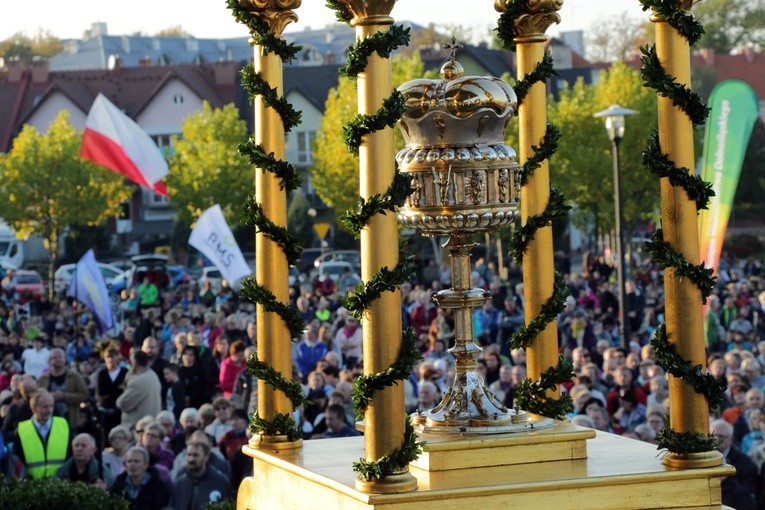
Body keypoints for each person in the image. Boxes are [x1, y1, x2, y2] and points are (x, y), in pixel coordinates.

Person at [13, 389, 71, 479]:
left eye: (51, 406)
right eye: (45, 407)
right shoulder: (22, 429)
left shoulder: (63, 425)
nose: (49, 410)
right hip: (32, 484)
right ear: (33, 408)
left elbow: (70, 455)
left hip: (60, 483)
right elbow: (18, 459)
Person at [710, 419, 757, 510]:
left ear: (731, 439)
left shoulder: (746, 463)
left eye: (721, 436)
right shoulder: (702, 460)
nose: (716, 439)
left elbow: (748, 496)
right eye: (713, 435)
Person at [170, 440, 231, 509]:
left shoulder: (220, 482)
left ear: (206, 457)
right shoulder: (180, 484)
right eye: (189, 455)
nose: (191, 459)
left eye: (195, 455)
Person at [37, 347, 89, 427]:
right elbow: (36, 397)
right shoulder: (42, 379)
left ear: (64, 359)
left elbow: (84, 395)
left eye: (60, 357)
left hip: (70, 419)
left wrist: (63, 396)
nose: (58, 359)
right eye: (54, 358)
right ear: (49, 361)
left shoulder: (75, 377)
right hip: (47, 422)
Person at [110, 445, 172, 510]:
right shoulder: (118, 484)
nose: (132, 465)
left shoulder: (158, 487)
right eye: (129, 461)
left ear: (146, 464)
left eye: (136, 461)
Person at [116, 350, 162, 431]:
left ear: (134, 363)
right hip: (150, 423)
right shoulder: (153, 374)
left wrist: (128, 382)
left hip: (138, 427)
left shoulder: (138, 381)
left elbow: (122, 403)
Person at [96, 347, 128, 438]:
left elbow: (126, 390)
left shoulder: (124, 372)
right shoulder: (102, 373)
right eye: (108, 357)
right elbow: (101, 392)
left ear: (117, 357)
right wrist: (117, 389)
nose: (110, 359)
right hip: (106, 410)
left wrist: (112, 390)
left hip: (120, 410)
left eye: (112, 356)